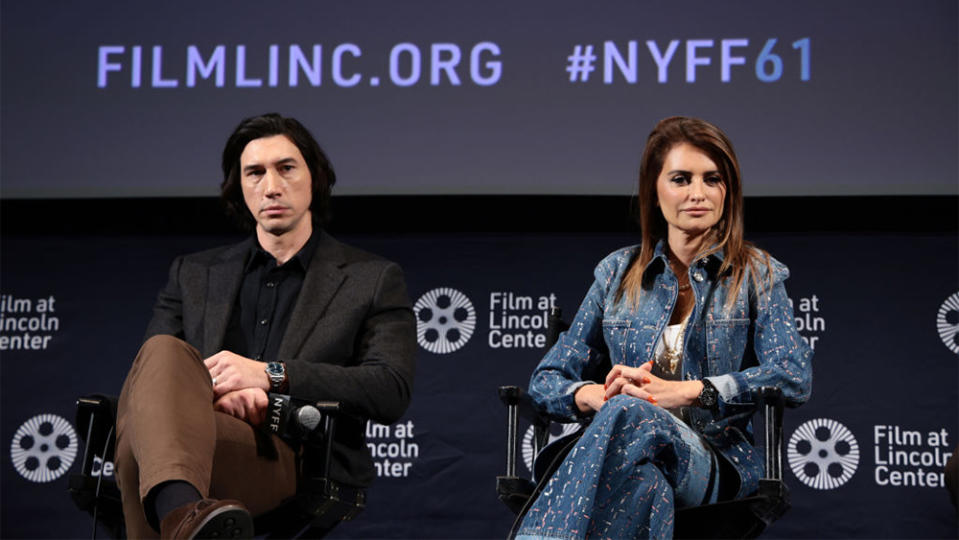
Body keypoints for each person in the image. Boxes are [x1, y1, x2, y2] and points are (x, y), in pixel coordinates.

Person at [114, 113, 417, 539]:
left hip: (291, 455)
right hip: (197, 430)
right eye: (254, 172)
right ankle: (184, 515)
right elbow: (151, 379)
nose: (271, 187)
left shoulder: (371, 278)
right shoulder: (193, 274)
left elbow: (390, 388)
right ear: (239, 186)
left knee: (136, 451)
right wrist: (221, 396)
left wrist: (271, 376)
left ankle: (179, 512)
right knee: (161, 354)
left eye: (286, 168)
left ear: (316, 177)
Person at [515, 117, 813, 539]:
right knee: (642, 485)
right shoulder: (617, 274)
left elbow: (793, 375)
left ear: (728, 192)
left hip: (714, 460)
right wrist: (597, 395)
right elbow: (546, 381)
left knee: (633, 412)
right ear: (654, 191)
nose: (698, 193)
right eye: (680, 178)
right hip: (622, 454)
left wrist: (689, 391)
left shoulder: (756, 274)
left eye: (713, 179)